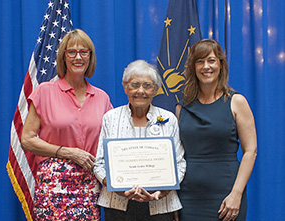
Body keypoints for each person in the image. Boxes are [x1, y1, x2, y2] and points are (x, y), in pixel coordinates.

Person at [21, 29, 113, 220]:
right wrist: (68, 152)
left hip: (89, 184)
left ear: (90, 57)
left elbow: (112, 142)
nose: (77, 57)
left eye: (83, 52)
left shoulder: (102, 98)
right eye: (71, 52)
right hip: (53, 185)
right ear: (63, 57)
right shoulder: (44, 92)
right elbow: (27, 140)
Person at [93, 60, 186, 221]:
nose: (140, 91)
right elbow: (99, 164)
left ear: (156, 90)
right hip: (117, 206)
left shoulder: (168, 119)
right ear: (125, 87)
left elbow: (179, 164)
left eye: (147, 86)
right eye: (135, 84)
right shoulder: (111, 118)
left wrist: (161, 192)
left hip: (160, 205)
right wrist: (117, 188)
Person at [176, 39, 257, 221]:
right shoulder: (182, 108)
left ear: (220, 64)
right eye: (200, 61)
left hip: (226, 195)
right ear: (193, 67)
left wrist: (236, 193)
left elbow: (250, 152)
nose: (206, 66)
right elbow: (176, 156)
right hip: (188, 197)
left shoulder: (237, 102)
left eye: (211, 60)